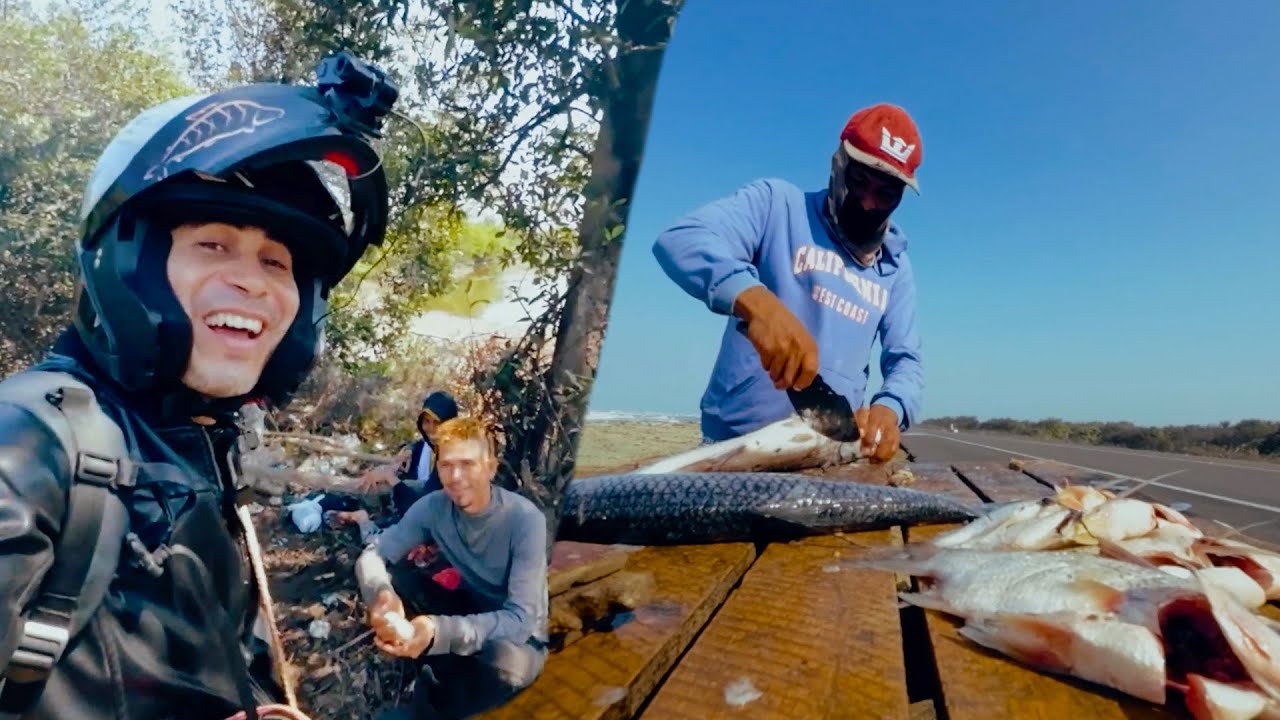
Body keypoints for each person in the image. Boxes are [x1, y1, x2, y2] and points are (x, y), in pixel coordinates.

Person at [0, 51, 399, 719]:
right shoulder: (29, 440)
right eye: (214, 244)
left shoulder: (191, 444)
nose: (256, 281)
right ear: (129, 261)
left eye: (278, 261)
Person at [652, 102, 926, 463]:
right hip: (733, 448)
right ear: (838, 165)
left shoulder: (895, 267)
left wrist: (890, 408)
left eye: (886, 194)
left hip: (829, 451)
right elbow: (681, 239)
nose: (868, 202)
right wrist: (755, 299)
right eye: (859, 182)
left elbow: (906, 360)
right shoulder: (777, 205)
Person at [355, 416, 548, 720]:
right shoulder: (434, 507)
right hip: (469, 607)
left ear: (490, 468)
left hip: (520, 635)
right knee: (400, 580)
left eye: (468, 464)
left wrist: (435, 630)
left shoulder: (525, 520)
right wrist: (381, 595)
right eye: (446, 465)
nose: (456, 477)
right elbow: (373, 554)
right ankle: (432, 660)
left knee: (504, 665)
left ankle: (433, 702)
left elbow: (522, 620)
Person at [358, 390, 460, 510]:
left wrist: (390, 478)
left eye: (437, 423)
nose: (431, 429)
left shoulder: (453, 458)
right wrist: (408, 450)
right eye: (426, 421)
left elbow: (425, 509)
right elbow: (418, 445)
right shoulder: (428, 446)